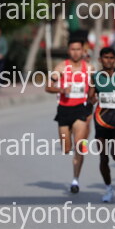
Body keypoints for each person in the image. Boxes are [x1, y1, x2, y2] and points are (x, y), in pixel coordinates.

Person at [45, 38, 95, 193]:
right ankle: (72, 141)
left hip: (81, 109)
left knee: (80, 146)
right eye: (73, 49)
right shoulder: (61, 67)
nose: (76, 52)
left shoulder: (89, 68)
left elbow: (94, 88)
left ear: (83, 51)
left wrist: (92, 99)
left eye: (78, 49)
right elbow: (48, 87)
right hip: (64, 110)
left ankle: (75, 180)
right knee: (66, 148)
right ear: (68, 51)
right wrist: (61, 90)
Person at [88, 47, 115, 203]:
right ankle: (108, 188)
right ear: (100, 60)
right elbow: (90, 96)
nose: (109, 60)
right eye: (106, 57)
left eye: (111, 57)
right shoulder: (96, 77)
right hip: (101, 120)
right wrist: (92, 99)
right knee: (103, 158)